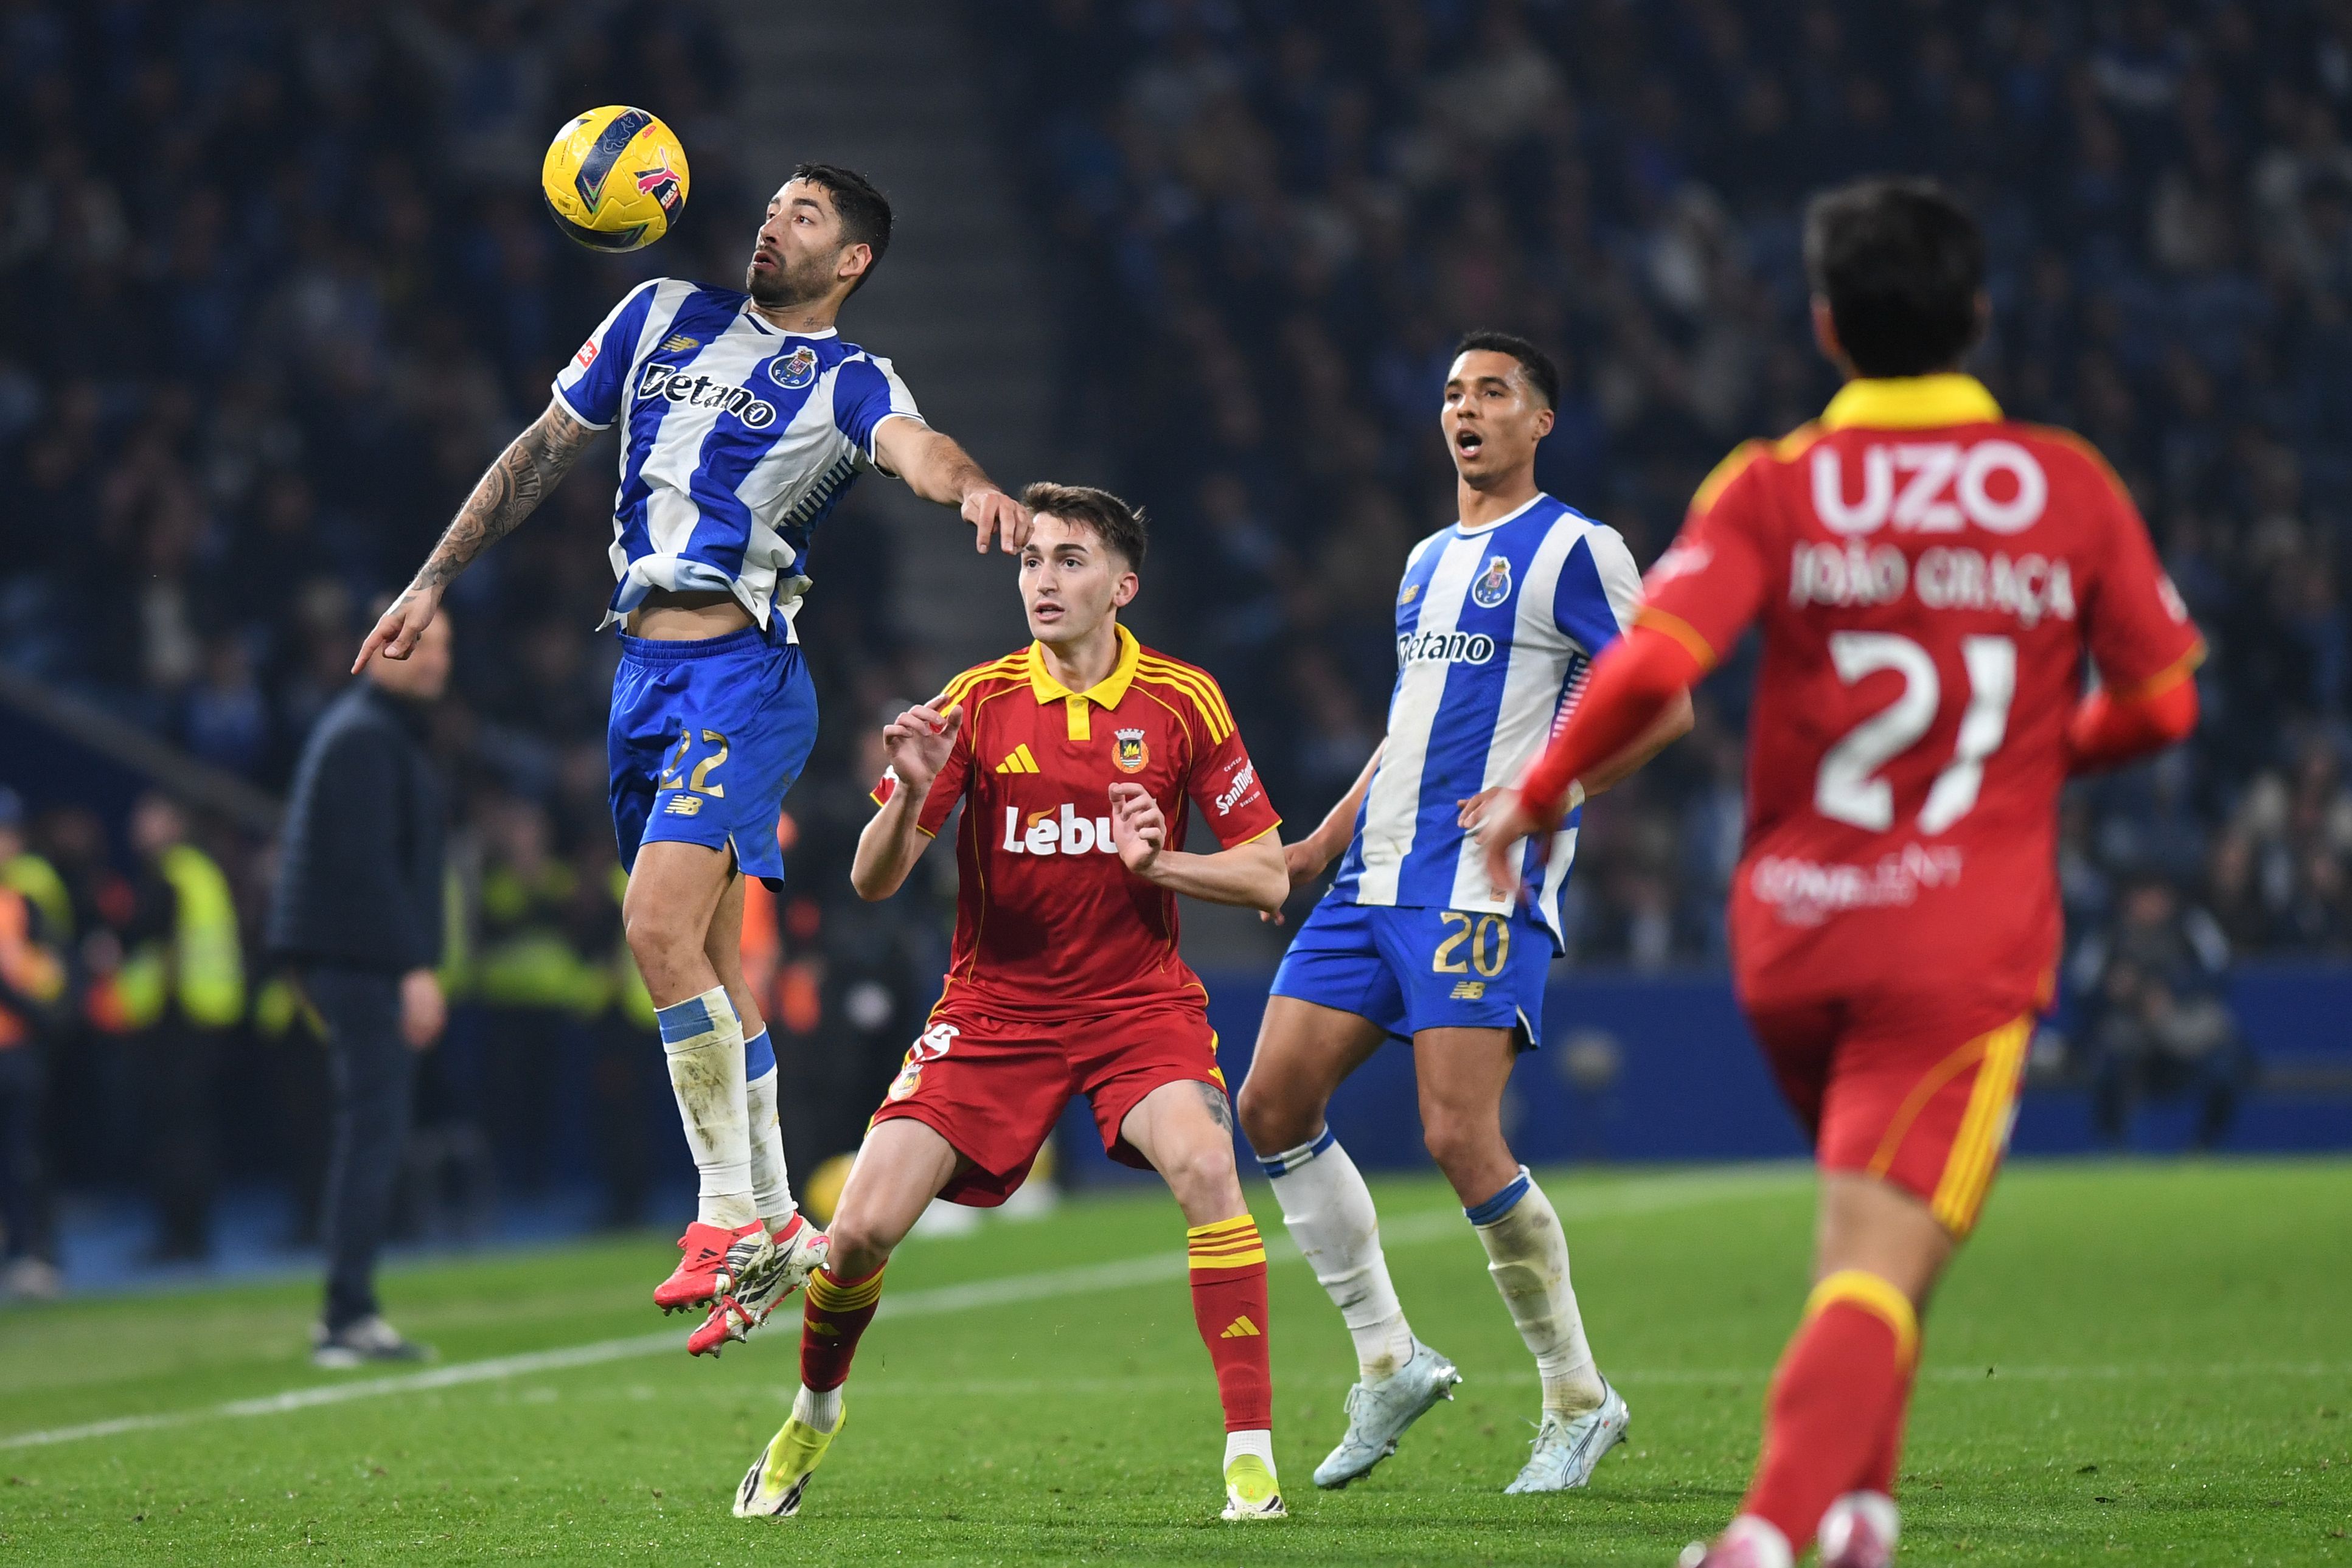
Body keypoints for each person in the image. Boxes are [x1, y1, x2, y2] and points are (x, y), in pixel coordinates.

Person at [1477, 178, 2205, 1568]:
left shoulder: (1773, 481)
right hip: (1955, 941)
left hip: (1793, 934)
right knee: (1878, 1257)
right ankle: (1767, 1533)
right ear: (1977, 315)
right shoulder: (2063, 483)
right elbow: (2165, 701)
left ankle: (1863, 1513)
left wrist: (1541, 783)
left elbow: (1656, 665)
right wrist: (2039, 756)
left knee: (1867, 1225)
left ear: (1824, 324)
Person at [349, 163, 1034, 1344]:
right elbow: (538, 450)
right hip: (642, 681)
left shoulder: (847, 377)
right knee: (712, 962)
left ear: (853, 262)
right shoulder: (655, 310)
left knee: (653, 929)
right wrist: (432, 577)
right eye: (773, 205)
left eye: (805, 216)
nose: (774, 223)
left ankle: (726, 1214)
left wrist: (971, 490)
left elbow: (917, 446)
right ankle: (773, 1221)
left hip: (743, 676)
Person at [731, 484, 1292, 1523]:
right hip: (993, 1008)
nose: (1043, 578)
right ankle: (813, 1411)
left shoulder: (1185, 700)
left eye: (1070, 559)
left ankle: (1250, 1454)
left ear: (1123, 586)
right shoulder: (978, 701)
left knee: (1211, 1165)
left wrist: (1159, 861)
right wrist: (906, 794)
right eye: (1032, 558)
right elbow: (870, 880)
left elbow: (1266, 877)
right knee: (856, 1229)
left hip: (1137, 1002)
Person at [1233, 332, 1691, 1494]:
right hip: (1373, 873)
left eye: (1493, 392)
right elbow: (1410, 720)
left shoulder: (1578, 551)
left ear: (1541, 421)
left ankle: (1579, 1396)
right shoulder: (1427, 558)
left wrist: (1556, 789)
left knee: (1456, 1133)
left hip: (1481, 879)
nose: (1465, 409)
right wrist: (1325, 839)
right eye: (1451, 392)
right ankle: (1388, 1356)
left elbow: (1664, 703)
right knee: (1272, 1100)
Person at [268, 610, 454, 1365]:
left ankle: (348, 1309)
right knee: (371, 1133)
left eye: (444, 646)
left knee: (370, 1130)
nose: (436, 660)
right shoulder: (365, 738)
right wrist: (411, 968)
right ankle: (347, 1314)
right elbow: (365, 868)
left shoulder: (373, 732)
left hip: (349, 960)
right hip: (361, 963)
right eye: (420, 644)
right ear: (379, 647)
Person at [108, 794, 246, 1262]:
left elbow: (147, 932)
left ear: (174, 824)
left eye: (148, 817)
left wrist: (112, 946)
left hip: (180, 1021)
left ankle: (183, 1235)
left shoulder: (175, 874)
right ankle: (186, 1233)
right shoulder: (197, 871)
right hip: (195, 1018)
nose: (137, 825)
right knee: (185, 1132)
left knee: (178, 1135)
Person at [2073, 876, 2244, 1149]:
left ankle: (2205, 1149)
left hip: (2183, 1026)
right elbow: (2082, 987)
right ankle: (2115, 1149)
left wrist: (2172, 992)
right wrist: (2115, 990)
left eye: (2157, 895)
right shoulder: (2108, 930)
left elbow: (2220, 973)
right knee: (2109, 1061)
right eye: (2142, 895)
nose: (2150, 904)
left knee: (2224, 1062)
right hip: (2128, 1027)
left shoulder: (2190, 924)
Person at [0, 788, 68, 1299]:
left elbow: (49, 972)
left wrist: (37, 1009)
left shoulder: (23, 904)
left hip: (17, 1049)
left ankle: (35, 1253)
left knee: (25, 1157)